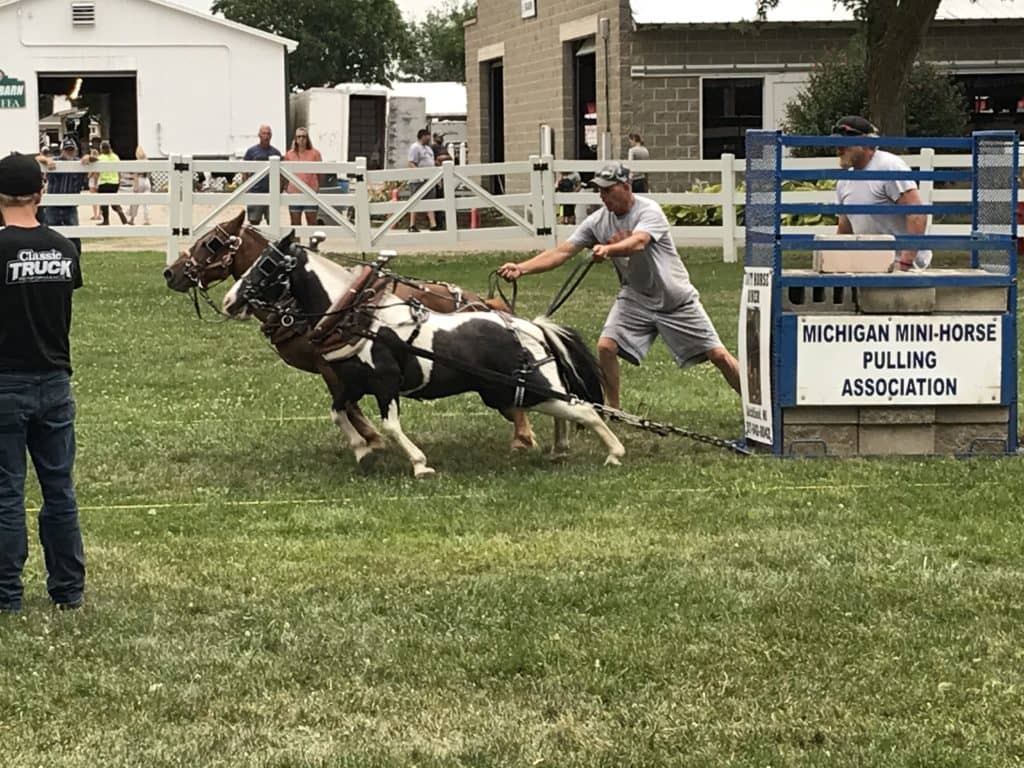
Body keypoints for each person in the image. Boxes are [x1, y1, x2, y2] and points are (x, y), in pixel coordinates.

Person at [498, 162, 741, 410]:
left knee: (718, 355)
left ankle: (756, 403)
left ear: (626, 187)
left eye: (608, 190)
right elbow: (562, 252)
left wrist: (609, 249)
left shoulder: (649, 211)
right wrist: (522, 268)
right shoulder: (597, 222)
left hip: (675, 299)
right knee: (606, 346)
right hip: (635, 297)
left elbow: (639, 242)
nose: (603, 197)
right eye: (600, 191)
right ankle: (613, 408)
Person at [0, 153, 86, 614]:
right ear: (41, 192)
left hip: (5, 383)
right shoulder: (64, 248)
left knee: (6, 493)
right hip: (54, 380)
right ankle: (68, 590)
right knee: (59, 491)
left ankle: (7, 595)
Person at [832, 114, 931, 271]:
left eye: (844, 145)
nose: (838, 150)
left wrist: (906, 262)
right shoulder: (844, 181)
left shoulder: (889, 166)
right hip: (868, 266)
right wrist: (835, 260)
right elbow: (845, 228)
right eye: (837, 145)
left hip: (899, 265)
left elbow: (917, 213)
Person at [41, 137, 95, 256]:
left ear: (75, 150)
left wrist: (88, 157)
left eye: (71, 150)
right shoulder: (55, 161)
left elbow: (96, 159)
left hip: (70, 206)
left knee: (74, 237)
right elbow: (37, 158)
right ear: (62, 151)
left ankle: (75, 258)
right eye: (67, 150)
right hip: (53, 206)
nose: (69, 152)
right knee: (50, 235)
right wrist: (46, 160)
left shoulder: (79, 163)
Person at [242, 125, 282, 226]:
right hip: (255, 192)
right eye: (264, 133)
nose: (266, 136)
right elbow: (244, 170)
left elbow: (282, 174)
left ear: (271, 136)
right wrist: (247, 187)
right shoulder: (251, 152)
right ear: (259, 135)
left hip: (271, 193)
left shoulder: (276, 153)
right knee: (254, 222)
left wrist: (280, 188)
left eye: (268, 134)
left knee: (273, 222)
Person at [283, 127, 323, 226]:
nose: (301, 139)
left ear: (307, 138)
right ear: (295, 139)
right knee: (295, 224)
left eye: (304, 137)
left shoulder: (315, 154)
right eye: (299, 136)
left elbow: (321, 173)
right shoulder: (289, 155)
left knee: (312, 223)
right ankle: (296, 242)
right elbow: (284, 173)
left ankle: (312, 242)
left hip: (310, 192)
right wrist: (285, 187)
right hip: (294, 193)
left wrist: (318, 186)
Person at [407, 129, 437, 232]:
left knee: (430, 201)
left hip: (429, 179)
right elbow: (411, 163)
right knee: (416, 201)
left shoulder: (429, 149)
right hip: (417, 181)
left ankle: (433, 224)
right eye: (428, 136)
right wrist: (419, 175)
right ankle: (412, 225)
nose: (430, 138)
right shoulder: (415, 147)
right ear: (423, 136)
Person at [96, 140, 128, 225]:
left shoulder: (100, 158)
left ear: (101, 149)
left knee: (104, 203)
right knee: (114, 202)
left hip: (104, 182)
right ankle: (123, 217)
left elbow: (97, 172)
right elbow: (119, 171)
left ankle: (106, 220)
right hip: (114, 182)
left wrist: (96, 182)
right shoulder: (115, 157)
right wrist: (119, 180)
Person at [128, 146, 151, 226]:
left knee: (135, 201)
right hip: (146, 181)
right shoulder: (147, 161)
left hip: (140, 180)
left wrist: (135, 186)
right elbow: (149, 174)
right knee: (146, 202)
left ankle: (132, 219)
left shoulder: (137, 162)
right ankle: (147, 220)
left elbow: (136, 175)